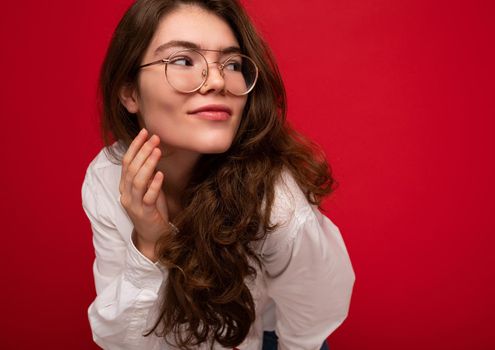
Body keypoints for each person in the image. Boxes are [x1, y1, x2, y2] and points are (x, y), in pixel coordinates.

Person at [81, 0, 356, 349]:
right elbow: (122, 340)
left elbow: (314, 313)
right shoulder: (107, 179)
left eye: (232, 63)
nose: (217, 80)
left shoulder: (275, 197)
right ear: (129, 92)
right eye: (183, 60)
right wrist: (149, 244)